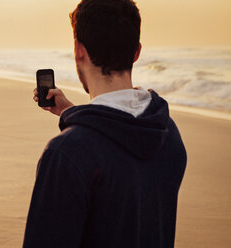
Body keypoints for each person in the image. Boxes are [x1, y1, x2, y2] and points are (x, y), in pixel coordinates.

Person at [24, 0, 187, 247]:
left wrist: (78, 124)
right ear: (137, 51)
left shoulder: (66, 153)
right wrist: (73, 113)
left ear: (79, 51)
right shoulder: (167, 132)